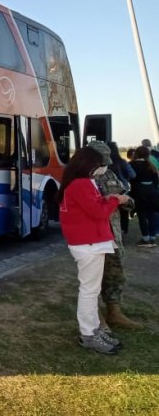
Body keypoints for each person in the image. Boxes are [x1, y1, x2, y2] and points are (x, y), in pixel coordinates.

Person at [56, 146, 128, 354]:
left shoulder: (77, 183)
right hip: (89, 243)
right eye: (100, 164)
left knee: (91, 290)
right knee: (89, 291)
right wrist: (115, 199)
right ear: (89, 164)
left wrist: (107, 200)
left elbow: (91, 206)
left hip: (88, 242)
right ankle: (89, 334)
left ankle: (94, 329)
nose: (103, 167)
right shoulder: (82, 184)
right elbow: (98, 213)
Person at [86, 142, 141, 330]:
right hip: (91, 238)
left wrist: (125, 201)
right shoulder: (78, 177)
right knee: (92, 279)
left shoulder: (109, 175)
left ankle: (114, 312)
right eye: (100, 162)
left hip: (113, 235)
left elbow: (127, 198)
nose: (103, 166)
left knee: (115, 274)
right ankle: (95, 316)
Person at [128, 146, 159, 247]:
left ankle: (145, 238)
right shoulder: (151, 165)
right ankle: (152, 237)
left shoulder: (132, 164)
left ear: (136, 153)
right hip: (152, 191)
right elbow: (156, 180)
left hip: (139, 192)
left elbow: (131, 179)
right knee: (152, 214)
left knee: (142, 215)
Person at [108, 142, 135, 235]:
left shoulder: (103, 163)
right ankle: (123, 230)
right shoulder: (122, 162)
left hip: (107, 191)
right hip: (122, 190)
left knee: (110, 212)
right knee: (123, 212)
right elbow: (132, 175)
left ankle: (112, 232)